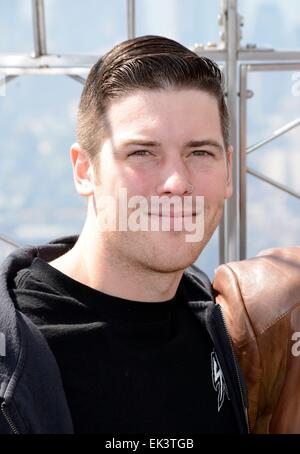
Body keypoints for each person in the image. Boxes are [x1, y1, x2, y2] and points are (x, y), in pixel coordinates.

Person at [0, 35, 249, 434]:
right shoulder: (13, 360)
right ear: (84, 171)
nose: (176, 182)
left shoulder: (234, 332)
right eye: (142, 153)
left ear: (229, 170)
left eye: (200, 152)